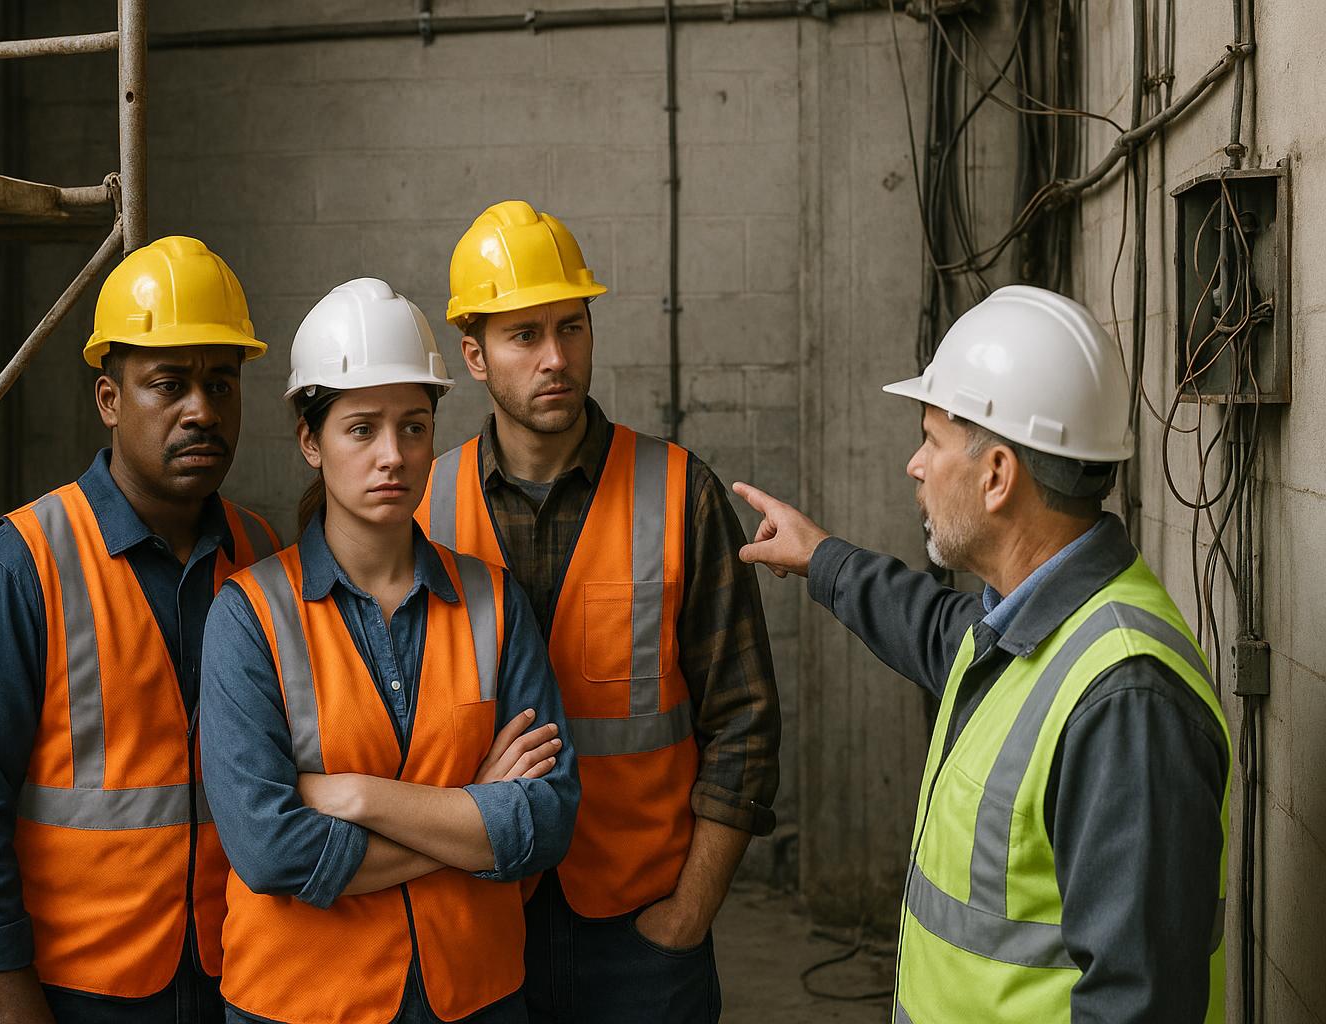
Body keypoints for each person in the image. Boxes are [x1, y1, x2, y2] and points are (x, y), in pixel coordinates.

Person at [735, 284, 1231, 1023]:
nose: (915, 464)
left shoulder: (1127, 701)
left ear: (997, 475)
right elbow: (938, 630)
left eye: (932, 440)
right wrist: (823, 559)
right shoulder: (1025, 626)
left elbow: (1140, 1002)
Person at [416, 200, 781, 1023]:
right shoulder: (423, 508)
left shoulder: (679, 492)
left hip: (639, 935)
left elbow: (745, 724)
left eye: (571, 327)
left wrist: (686, 918)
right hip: (476, 919)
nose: (556, 357)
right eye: (525, 335)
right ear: (473, 354)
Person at [0, 236, 281, 1023]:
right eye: (169, 384)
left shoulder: (262, 557)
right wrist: (14, 1004)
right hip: (71, 993)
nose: (202, 410)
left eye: (222, 384)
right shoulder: (22, 566)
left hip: (239, 976)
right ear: (109, 400)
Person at [200, 277, 579, 1024]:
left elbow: (546, 819)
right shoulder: (249, 616)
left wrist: (361, 797)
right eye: (361, 428)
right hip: (302, 1004)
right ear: (311, 440)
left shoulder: (494, 603)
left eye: (413, 427)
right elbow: (271, 850)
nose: (393, 456)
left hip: (475, 998)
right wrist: (470, 821)